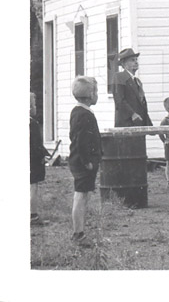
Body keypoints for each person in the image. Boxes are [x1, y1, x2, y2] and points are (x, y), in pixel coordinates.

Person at [69, 76, 102, 247]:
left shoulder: (80, 112)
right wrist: (87, 161)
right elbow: (80, 140)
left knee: (83, 195)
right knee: (80, 196)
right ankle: (78, 233)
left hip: (83, 161)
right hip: (83, 162)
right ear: (90, 94)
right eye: (96, 91)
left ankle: (80, 229)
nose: (97, 95)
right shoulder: (83, 114)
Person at [111, 48, 153, 128]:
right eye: (132, 60)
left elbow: (142, 105)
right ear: (124, 64)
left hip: (140, 124)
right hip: (126, 124)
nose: (136, 62)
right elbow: (119, 100)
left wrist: (148, 124)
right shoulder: (119, 77)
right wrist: (132, 114)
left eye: (136, 60)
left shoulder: (137, 81)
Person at [30, 92, 48, 226]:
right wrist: (42, 155)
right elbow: (36, 144)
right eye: (34, 105)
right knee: (33, 187)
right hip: (33, 162)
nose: (36, 107)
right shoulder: (33, 124)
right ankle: (33, 214)